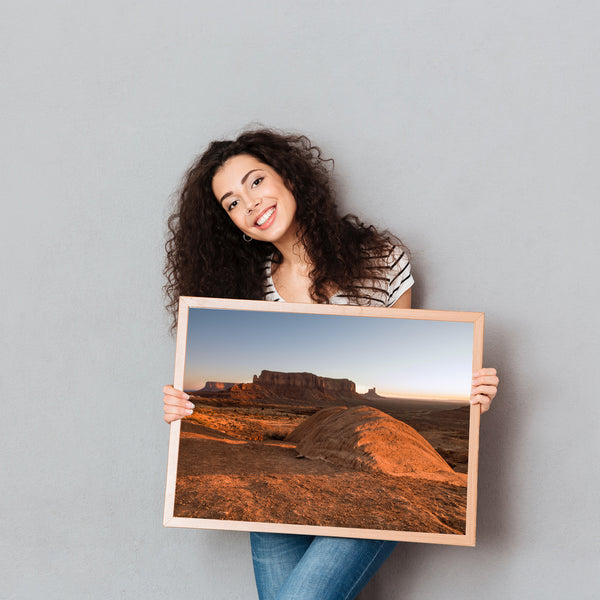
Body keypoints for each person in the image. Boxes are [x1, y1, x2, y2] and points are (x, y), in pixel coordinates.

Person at [162, 129, 499, 600]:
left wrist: (463, 393)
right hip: (274, 489)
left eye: (256, 182)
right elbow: (209, 385)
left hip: (371, 487)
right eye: (232, 203)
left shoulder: (380, 262)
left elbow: (403, 356)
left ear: (289, 178)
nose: (250, 204)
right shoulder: (245, 292)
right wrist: (184, 406)